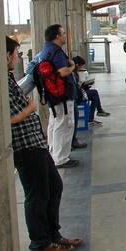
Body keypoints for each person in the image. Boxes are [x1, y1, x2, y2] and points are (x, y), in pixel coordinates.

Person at [7, 36, 82, 251]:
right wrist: (30, 108)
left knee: (54, 186)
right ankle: (40, 244)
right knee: (37, 195)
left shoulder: (9, 78)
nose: (16, 58)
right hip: (25, 146)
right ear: (7, 55)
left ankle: (53, 235)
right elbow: (8, 118)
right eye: (14, 54)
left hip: (36, 143)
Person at [37, 24, 79, 169]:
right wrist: (73, 66)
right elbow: (63, 71)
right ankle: (61, 158)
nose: (64, 36)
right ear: (57, 36)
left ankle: (53, 152)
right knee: (64, 124)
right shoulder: (56, 51)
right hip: (62, 95)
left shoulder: (45, 50)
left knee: (55, 124)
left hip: (52, 95)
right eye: (63, 33)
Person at [73, 56, 110, 126]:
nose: (81, 68)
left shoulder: (74, 73)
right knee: (94, 94)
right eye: (81, 66)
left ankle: (94, 115)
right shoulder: (73, 74)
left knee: (94, 96)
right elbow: (76, 87)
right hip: (77, 95)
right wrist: (83, 85)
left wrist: (85, 85)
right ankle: (97, 113)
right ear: (77, 65)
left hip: (79, 93)